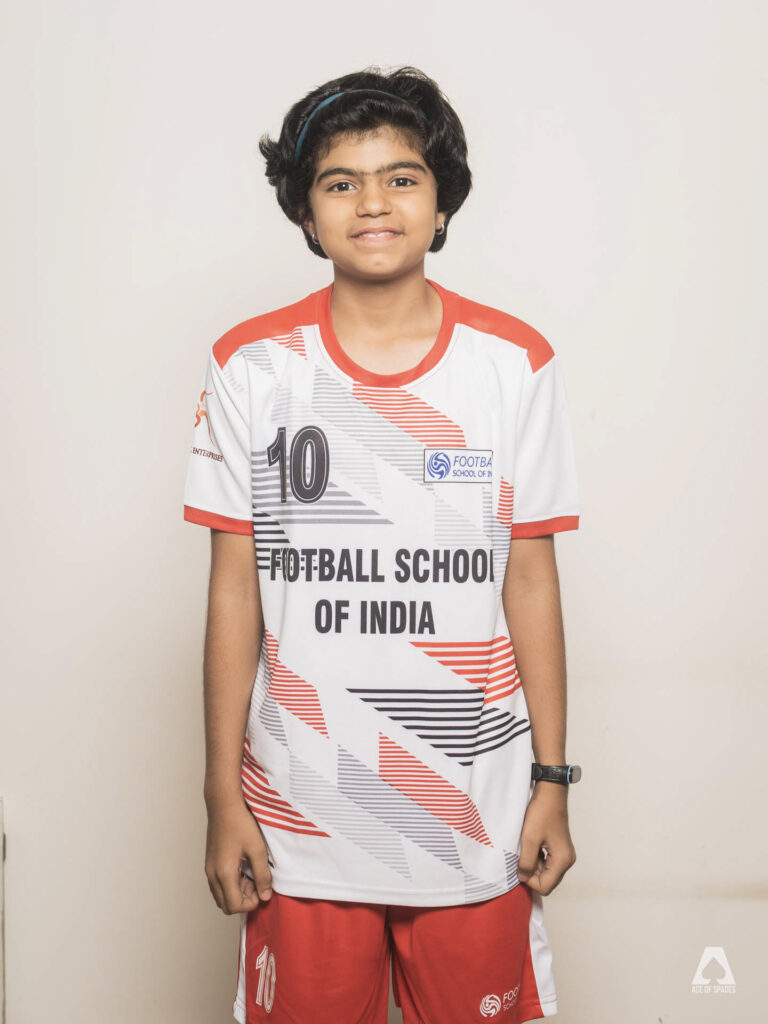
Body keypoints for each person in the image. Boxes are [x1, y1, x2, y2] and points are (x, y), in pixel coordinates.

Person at [183, 64, 582, 1024]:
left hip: (474, 815)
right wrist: (222, 796)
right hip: (299, 820)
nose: (372, 203)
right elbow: (234, 590)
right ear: (305, 208)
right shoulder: (252, 366)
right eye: (341, 182)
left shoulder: (514, 365)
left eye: (401, 177)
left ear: (441, 202)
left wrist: (553, 782)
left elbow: (531, 580)